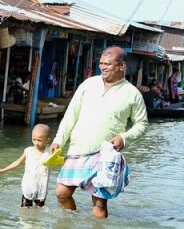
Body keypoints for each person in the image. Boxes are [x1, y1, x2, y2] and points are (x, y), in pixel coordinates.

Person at [49, 46, 148, 218]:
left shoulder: (132, 93)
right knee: (61, 193)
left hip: (105, 154)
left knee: (100, 203)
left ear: (122, 66)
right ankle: (69, 228)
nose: (103, 67)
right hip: (77, 149)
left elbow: (142, 124)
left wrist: (124, 138)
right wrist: (58, 141)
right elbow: (70, 115)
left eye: (108, 64)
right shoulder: (88, 84)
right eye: (101, 63)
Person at [0, 124, 52, 208]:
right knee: (24, 209)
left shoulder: (49, 152)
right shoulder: (28, 151)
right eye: (34, 139)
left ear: (47, 140)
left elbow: (58, 161)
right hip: (28, 186)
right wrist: (3, 170)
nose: (36, 143)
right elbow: (17, 162)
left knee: (39, 211)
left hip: (41, 188)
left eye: (39, 140)